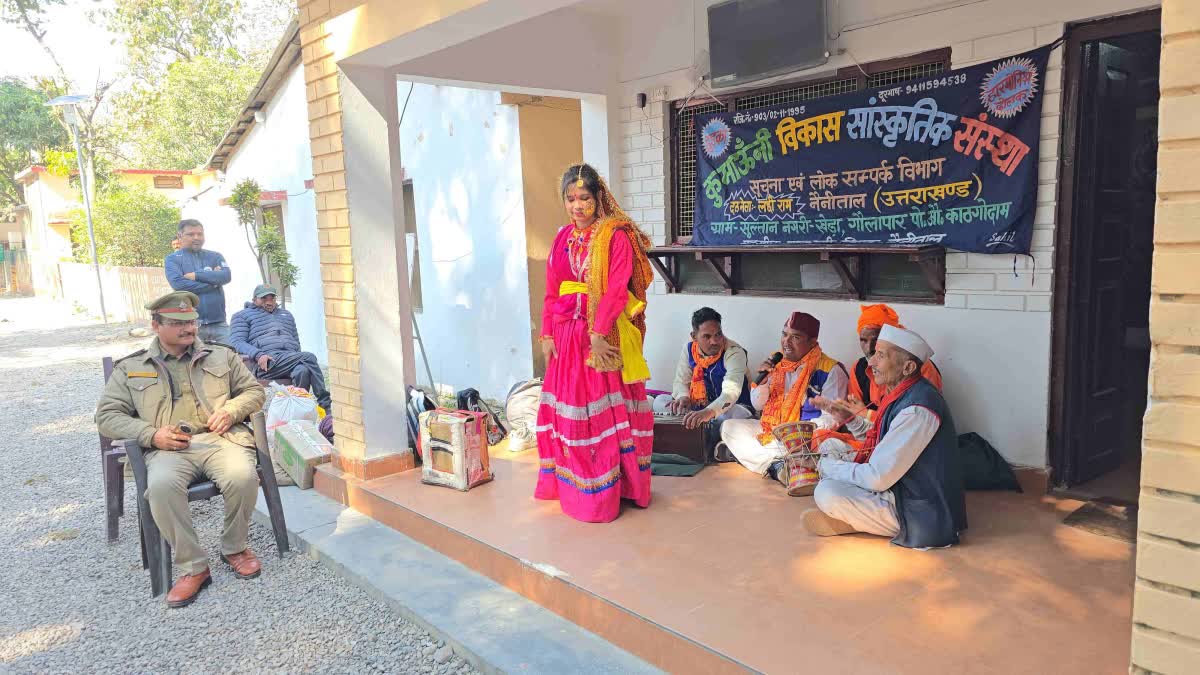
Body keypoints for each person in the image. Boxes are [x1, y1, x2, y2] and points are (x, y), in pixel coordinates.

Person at [95, 291, 266, 607]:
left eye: (192, 322)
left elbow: (254, 392)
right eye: (178, 323)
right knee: (160, 488)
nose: (189, 329)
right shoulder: (131, 367)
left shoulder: (222, 356)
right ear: (155, 325)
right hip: (167, 449)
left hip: (219, 440)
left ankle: (234, 547)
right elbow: (106, 416)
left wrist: (231, 410)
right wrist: (150, 434)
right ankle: (193, 567)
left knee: (242, 476)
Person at [535, 163, 654, 523]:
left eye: (584, 198)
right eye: (570, 199)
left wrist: (598, 335)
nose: (577, 206)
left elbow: (616, 289)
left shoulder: (614, 236)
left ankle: (613, 492)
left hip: (601, 338)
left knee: (607, 417)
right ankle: (573, 488)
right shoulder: (561, 237)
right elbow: (552, 290)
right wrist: (546, 334)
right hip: (566, 339)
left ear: (598, 198)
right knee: (569, 417)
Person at [804, 325, 967, 549]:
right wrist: (849, 418)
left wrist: (824, 466)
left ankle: (858, 521)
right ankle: (858, 519)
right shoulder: (905, 392)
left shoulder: (918, 408)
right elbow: (882, 441)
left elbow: (877, 477)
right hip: (899, 484)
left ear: (908, 367)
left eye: (880, 356)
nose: (871, 363)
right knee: (832, 444)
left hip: (921, 508)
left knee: (827, 492)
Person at [718, 312, 847, 480]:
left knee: (825, 446)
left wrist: (794, 432)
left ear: (813, 341)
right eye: (784, 334)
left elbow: (832, 419)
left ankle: (756, 457)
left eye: (796, 337)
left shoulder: (831, 370)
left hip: (806, 436)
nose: (786, 341)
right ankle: (778, 467)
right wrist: (764, 381)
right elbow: (757, 405)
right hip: (773, 429)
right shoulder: (776, 363)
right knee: (729, 427)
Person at [230, 284, 331, 410]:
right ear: (254, 299)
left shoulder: (286, 315)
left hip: (289, 359)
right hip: (267, 362)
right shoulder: (242, 316)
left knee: (302, 371)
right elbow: (237, 342)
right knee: (309, 357)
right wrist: (258, 354)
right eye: (264, 298)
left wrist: (296, 358)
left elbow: (296, 342)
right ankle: (326, 405)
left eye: (272, 298)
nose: (269, 302)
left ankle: (297, 413)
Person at [652, 306, 753, 429]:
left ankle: (699, 423)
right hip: (699, 407)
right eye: (707, 336)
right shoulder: (689, 349)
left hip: (732, 408)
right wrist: (683, 397)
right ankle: (695, 421)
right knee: (660, 401)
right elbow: (681, 381)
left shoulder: (734, 352)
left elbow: (731, 393)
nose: (714, 341)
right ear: (694, 336)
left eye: (718, 334)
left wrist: (709, 412)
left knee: (725, 418)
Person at [848, 304, 942, 418]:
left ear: (908, 368)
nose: (869, 349)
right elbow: (854, 414)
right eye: (863, 340)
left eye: (881, 354)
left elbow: (913, 419)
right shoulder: (859, 368)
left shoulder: (920, 368)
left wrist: (868, 415)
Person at [165, 219, 231, 344]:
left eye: (200, 234)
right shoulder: (173, 259)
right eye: (191, 234)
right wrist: (214, 282)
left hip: (219, 323)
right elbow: (179, 284)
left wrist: (196, 275)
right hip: (191, 325)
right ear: (180, 236)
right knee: (195, 362)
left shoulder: (215, 256)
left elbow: (226, 276)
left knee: (228, 360)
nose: (196, 237)